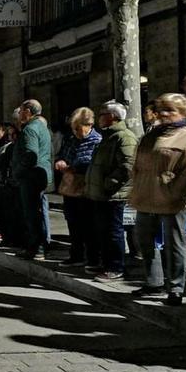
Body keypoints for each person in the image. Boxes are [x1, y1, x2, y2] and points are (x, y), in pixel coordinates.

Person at [131, 93, 186, 305]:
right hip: (146, 196)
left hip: (173, 200)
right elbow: (137, 164)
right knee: (144, 240)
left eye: (170, 110)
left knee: (174, 245)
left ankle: (175, 288)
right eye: (162, 109)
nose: (164, 114)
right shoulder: (151, 135)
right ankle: (153, 283)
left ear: (182, 113)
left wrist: (175, 191)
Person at [85, 101, 137, 282]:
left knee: (114, 232)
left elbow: (127, 166)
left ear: (112, 117)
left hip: (115, 196)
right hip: (102, 195)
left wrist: (109, 184)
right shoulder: (108, 137)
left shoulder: (124, 137)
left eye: (102, 113)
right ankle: (107, 264)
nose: (99, 117)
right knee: (104, 232)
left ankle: (116, 267)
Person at [54, 108, 102, 268]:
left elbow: (93, 165)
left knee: (89, 225)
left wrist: (74, 168)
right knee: (73, 223)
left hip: (87, 189)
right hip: (70, 187)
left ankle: (93, 258)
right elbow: (63, 154)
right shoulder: (70, 139)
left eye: (78, 128)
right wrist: (60, 162)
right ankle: (76, 255)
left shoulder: (97, 141)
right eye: (73, 128)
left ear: (89, 125)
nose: (75, 131)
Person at [11, 99, 53, 260]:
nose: (19, 114)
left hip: (31, 177)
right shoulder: (42, 127)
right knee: (37, 212)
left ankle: (36, 247)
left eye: (21, 110)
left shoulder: (30, 129)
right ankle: (38, 246)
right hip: (39, 175)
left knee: (31, 214)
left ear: (28, 111)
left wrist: (18, 172)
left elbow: (31, 155)